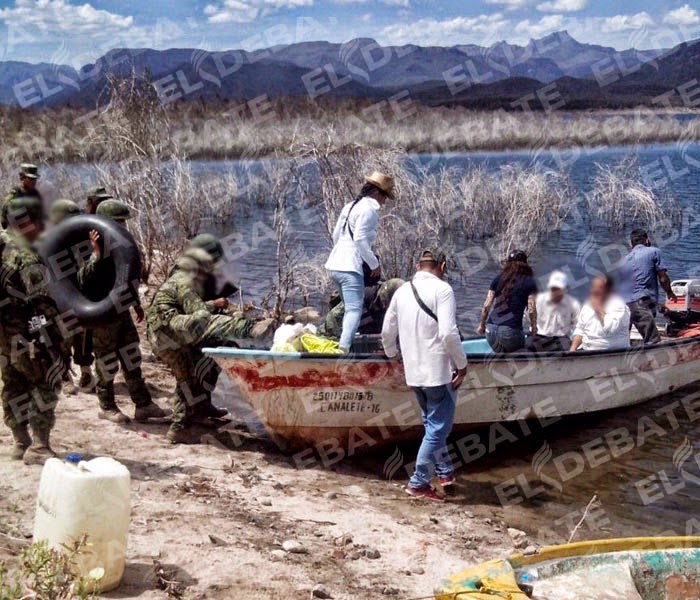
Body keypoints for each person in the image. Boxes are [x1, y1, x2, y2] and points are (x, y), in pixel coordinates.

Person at [147, 248, 274, 444]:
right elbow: (199, 313)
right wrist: (216, 305)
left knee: (219, 348)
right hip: (168, 337)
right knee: (187, 377)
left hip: (168, 333)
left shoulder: (179, 278)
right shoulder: (184, 282)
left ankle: (201, 406)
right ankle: (178, 428)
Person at [382, 249, 467, 502]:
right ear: (441, 266)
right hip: (438, 372)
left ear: (418, 265)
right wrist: (462, 365)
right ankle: (418, 483)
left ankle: (444, 472)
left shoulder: (401, 291)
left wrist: (392, 355)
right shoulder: (443, 290)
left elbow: (387, 330)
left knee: (432, 425)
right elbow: (448, 334)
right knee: (438, 429)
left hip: (414, 372)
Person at [79, 200, 169, 424]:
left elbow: (126, 278)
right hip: (102, 316)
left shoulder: (121, 246)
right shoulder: (90, 246)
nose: (123, 227)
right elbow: (83, 279)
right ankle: (106, 406)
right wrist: (96, 253)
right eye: (119, 222)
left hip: (121, 312)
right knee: (106, 363)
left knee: (132, 357)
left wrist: (136, 302)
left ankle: (143, 404)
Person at [0, 196, 70, 464]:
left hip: (5, 334)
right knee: (45, 381)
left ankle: (20, 443)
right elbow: (41, 300)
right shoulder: (28, 255)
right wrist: (49, 337)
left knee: (13, 383)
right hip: (28, 333)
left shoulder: (3, 247)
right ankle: (40, 446)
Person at [325, 171, 394, 352]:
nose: (384, 201)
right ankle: (343, 350)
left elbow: (336, 235)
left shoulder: (350, 206)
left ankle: (347, 342)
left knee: (349, 308)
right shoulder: (368, 210)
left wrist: (342, 253)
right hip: (349, 268)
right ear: (378, 193)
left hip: (334, 265)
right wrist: (374, 265)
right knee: (354, 310)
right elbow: (360, 240)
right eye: (385, 197)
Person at [47, 199, 96, 390]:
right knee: (63, 335)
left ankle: (86, 371)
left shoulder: (82, 237)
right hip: (60, 293)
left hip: (81, 291)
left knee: (84, 333)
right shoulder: (50, 239)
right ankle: (64, 376)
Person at [617, 229, 675, 344]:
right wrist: (669, 293)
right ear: (647, 241)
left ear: (631, 244)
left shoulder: (622, 261)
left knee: (623, 342)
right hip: (641, 303)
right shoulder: (654, 252)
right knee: (653, 341)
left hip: (622, 306)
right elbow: (662, 279)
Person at [477, 250, 537, 353]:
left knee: (500, 355)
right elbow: (531, 309)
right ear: (525, 264)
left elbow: (486, 305)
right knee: (522, 353)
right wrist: (533, 327)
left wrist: (481, 325)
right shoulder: (529, 282)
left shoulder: (498, 279)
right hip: (511, 331)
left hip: (490, 330)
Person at [318, 278, 404, 339]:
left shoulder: (395, 309)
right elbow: (333, 317)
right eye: (386, 302)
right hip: (330, 336)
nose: (386, 306)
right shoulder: (362, 298)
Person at [570, 275, 630, 351]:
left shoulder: (619, 306)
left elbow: (611, 328)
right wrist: (572, 349)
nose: (594, 290)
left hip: (612, 354)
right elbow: (580, 329)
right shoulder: (587, 306)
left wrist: (598, 308)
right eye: (593, 287)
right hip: (587, 353)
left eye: (599, 288)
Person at [525, 271, 581, 352]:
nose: (555, 292)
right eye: (553, 289)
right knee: (528, 345)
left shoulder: (573, 304)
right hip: (538, 337)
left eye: (558, 289)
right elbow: (526, 319)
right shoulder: (538, 300)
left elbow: (578, 327)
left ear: (565, 289)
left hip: (560, 340)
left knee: (566, 347)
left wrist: (573, 347)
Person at [2, 164, 43, 229]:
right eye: (30, 179)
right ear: (22, 178)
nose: (34, 181)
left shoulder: (35, 194)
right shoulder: (14, 195)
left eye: (35, 179)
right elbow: (4, 219)